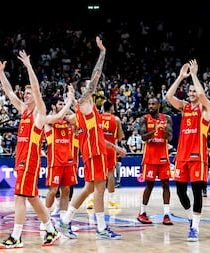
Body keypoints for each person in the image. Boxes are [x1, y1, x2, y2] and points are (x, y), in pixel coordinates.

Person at [56, 36, 126, 240]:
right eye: (89, 85)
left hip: (95, 150)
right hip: (93, 153)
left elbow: (98, 137)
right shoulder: (84, 101)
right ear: (83, 90)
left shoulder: (88, 109)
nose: (93, 85)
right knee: (99, 189)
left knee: (88, 188)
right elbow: (96, 75)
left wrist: (115, 148)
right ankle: (101, 228)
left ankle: (64, 222)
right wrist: (102, 53)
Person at [0, 50, 60, 249]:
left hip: (30, 160)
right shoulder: (23, 110)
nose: (26, 94)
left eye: (29, 93)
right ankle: (51, 231)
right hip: (21, 160)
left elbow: (37, 90)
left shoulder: (39, 113)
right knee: (33, 198)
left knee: (20, 197)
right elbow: (9, 92)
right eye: (26, 93)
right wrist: (1, 73)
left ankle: (16, 237)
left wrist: (29, 66)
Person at [166, 59, 210, 242]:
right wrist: (180, 77)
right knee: (180, 192)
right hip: (182, 157)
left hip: (198, 157)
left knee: (196, 192)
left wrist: (194, 74)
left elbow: (201, 94)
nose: (192, 93)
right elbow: (169, 97)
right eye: (190, 90)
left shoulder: (205, 108)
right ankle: (191, 219)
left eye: (194, 90)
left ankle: (195, 228)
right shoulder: (185, 108)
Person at [42, 87, 77, 228]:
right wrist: (69, 101)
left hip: (68, 160)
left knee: (66, 190)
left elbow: (75, 117)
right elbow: (57, 117)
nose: (62, 106)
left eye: (63, 104)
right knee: (53, 190)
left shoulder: (68, 120)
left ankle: (63, 220)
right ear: (53, 106)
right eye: (60, 104)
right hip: (55, 161)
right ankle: (45, 219)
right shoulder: (49, 119)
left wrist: (70, 100)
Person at [136, 97, 174, 225]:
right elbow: (143, 137)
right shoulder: (144, 119)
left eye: (153, 104)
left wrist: (165, 130)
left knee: (166, 185)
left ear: (159, 105)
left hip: (163, 157)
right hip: (150, 158)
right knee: (149, 185)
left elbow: (170, 137)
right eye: (149, 104)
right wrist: (155, 130)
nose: (150, 106)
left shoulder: (167, 118)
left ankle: (167, 215)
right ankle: (142, 212)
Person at [87, 100, 125, 209]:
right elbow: (120, 136)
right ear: (111, 108)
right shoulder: (116, 119)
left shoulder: (98, 117)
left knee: (95, 175)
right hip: (110, 149)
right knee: (110, 174)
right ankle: (111, 201)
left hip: (98, 147)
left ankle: (91, 200)